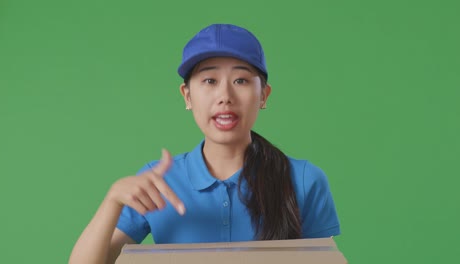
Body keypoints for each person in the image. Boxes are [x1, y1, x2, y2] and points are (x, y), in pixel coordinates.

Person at [69, 23, 340, 264]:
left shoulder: (305, 180)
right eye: (209, 80)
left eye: (241, 80)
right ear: (187, 95)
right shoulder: (158, 182)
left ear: (263, 96)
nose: (225, 95)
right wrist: (113, 200)